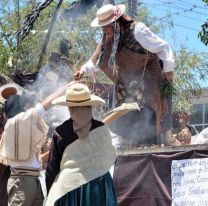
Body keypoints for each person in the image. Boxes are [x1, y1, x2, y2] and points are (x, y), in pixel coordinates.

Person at [74, 4, 177, 146]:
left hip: (149, 76)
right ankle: (129, 146)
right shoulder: (107, 39)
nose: (104, 30)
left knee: (152, 112)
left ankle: (165, 137)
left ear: (117, 22)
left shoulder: (138, 30)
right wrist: (82, 71)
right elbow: (97, 61)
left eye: (107, 25)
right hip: (126, 82)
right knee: (123, 115)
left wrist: (167, 71)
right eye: (102, 26)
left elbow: (164, 47)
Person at [0, 81, 75, 206]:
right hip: (23, 181)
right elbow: (47, 103)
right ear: (24, 108)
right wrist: (69, 85)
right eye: (27, 105)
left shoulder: (15, 126)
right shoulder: (18, 121)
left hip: (30, 180)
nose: (30, 107)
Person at [45, 83, 117, 206]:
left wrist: (51, 194)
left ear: (70, 108)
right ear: (90, 106)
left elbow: (52, 169)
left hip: (69, 188)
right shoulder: (102, 128)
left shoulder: (60, 132)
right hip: (98, 186)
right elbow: (112, 158)